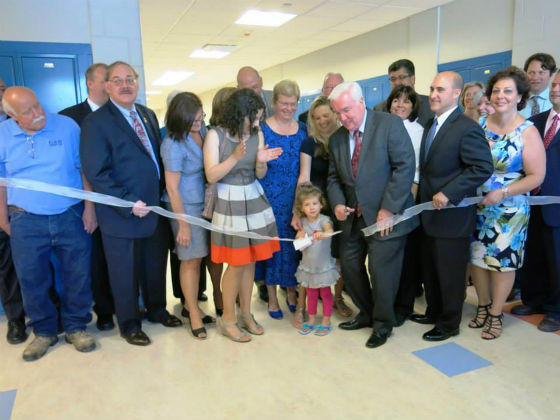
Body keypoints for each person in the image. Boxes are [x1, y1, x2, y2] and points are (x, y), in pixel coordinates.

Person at [81, 61, 182, 347]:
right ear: (107, 86)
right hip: (121, 212)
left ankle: (157, 310)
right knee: (124, 273)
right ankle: (128, 324)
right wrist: (127, 204)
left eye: (130, 79)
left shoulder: (148, 115)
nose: (125, 85)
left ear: (137, 83)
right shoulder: (96, 122)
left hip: (153, 209)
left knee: (154, 265)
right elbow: (96, 172)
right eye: (118, 80)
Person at [0, 87, 96, 361]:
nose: (37, 113)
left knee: (76, 275)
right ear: (12, 116)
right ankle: (43, 332)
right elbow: (1, 181)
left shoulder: (66, 126)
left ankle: (76, 327)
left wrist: (90, 208)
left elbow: (83, 169)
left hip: (69, 214)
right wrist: (3, 218)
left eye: (37, 105)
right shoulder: (2, 136)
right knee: (32, 279)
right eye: (27, 111)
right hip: (25, 219)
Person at [328, 82, 418, 348]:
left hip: (385, 216)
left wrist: (388, 208)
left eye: (346, 111)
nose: (342, 118)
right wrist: (337, 204)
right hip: (353, 217)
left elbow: (405, 167)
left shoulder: (388, 124)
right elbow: (334, 178)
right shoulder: (336, 139)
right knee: (351, 267)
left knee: (382, 273)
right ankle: (367, 313)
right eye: (337, 113)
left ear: (361, 103)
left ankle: (382, 324)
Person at [412, 71, 494, 342]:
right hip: (429, 214)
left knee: (450, 274)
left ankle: (449, 324)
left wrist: (449, 192)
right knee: (432, 269)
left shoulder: (466, 127)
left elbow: (482, 167)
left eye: (441, 90)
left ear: (456, 94)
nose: (434, 94)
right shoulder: (431, 123)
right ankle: (434, 312)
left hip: (453, 216)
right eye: (432, 88)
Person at [469, 66, 546, 339]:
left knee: (502, 263)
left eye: (508, 91)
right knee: (477, 260)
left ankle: (496, 313)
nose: (501, 96)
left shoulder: (527, 131)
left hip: (509, 210)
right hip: (476, 204)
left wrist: (503, 192)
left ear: (519, 96)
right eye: (497, 91)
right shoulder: (479, 125)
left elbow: (537, 176)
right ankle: (482, 306)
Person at [204, 88, 282, 343]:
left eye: (259, 117)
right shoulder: (215, 135)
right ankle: (227, 319)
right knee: (236, 263)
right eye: (254, 117)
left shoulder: (256, 135)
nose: (258, 123)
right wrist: (236, 157)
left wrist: (260, 161)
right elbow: (211, 175)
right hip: (229, 200)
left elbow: (259, 174)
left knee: (250, 261)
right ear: (239, 114)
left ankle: (246, 314)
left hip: (253, 196)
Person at [59, 63, 115, 332]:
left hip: (121, 199)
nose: (110, 85)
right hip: (87, 202)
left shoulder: (122, 114)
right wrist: (88, 205)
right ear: (90, 84)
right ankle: (103, 310)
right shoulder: (69, 118)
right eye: (106, 80)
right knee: (96, 259)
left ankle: (126, 304)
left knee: (122, 256)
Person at [292, 95, 352, 328]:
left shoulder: (344, 137)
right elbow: (304, 177)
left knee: (338, 256)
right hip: (313, 208)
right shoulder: (309, 143)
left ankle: (336, 298)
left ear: (335, 114)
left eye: (326, 115)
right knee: (309, 258)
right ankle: (302, 306)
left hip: (339, 206)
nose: (322, 121)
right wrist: (298, 211)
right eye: (317, 118)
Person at [161, 92, 218, 340]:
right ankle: (193, 313)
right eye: (194, 120)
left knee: (203, 257)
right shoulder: (172, 143)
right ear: (180, 118)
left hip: (205, 204)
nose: (199, 123)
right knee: (191, 259)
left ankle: (189, 305)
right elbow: (172, 188)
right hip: (185, 207)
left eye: (201, 117)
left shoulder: (203, 132)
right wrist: (182, 225)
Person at [513, 69, 560, 332]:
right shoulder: (535, 122)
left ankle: (556, 309)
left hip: (557, 205)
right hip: (531, 202)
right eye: (554, 85)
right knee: (534, 256)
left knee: (557, 260)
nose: (555, 89)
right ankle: (534, 300)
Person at [255, 80, 307, 320]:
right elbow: (257, 171)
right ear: (274, 103)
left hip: (294, 198)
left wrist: (299, 207)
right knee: (273, 248)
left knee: (292, 247)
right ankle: (273, 297)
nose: (288, 108)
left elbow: (304, 173)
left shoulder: (303, 130)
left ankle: (292, 292)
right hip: (268, 198)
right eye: (284, 103)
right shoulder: (261, 130)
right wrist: (261, 160)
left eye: (292, 103)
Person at [386, 85, 425, 325]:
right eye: (396, 100)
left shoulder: (417, 130)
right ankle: (387, 301)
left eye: (406, 101)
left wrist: (406, 201)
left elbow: (416, 170)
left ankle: (404, 305)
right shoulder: (382, 126)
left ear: (413, 106)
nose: (400, 105)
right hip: (384, 199)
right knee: (389, 255)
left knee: (407, 256)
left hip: (407, 197)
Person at [0, 76, 27, 345]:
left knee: (32, 265)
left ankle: (46, 314)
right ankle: (16, 321)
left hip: (17, 210)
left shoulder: (16, 128)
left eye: (2, 89)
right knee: (6, 269)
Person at [294, 183, 339, 336]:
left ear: (321, 204)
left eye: (315, 203)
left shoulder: (324, 220)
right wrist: (299, 236)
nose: (312, 207)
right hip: (308, 267)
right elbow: (298, 244)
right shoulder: (303, 223)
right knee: (311, 294)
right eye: (307, 204)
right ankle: (311, 319)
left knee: (325, 293)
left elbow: (330, 231)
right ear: (302, 208)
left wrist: (323, 234)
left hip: (323, 267)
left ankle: (326, 320)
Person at [374, 59, 434, 127]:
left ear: (413, 79)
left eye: (402, 77)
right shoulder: (379, 109)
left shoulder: (430, 104)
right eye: (393, 79)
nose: (397, 82)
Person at [520, 53, 557, 118]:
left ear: (551, 74)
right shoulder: (516, 100)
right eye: (531, 72)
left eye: (541, 72)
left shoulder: (557, 101)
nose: (535, 77)